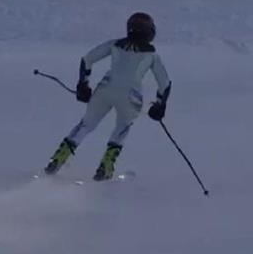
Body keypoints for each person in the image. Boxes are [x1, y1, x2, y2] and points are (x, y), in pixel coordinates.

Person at [44, 12, 172, 181]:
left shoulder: (115, 45)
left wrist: (83, 84)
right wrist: (159, 105)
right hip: (131, 97)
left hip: (105, 89)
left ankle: (59, 157)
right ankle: (106, 166)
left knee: (86, 125)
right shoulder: (152, 55)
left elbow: (87, 59)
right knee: (122, 128)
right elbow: (165, 83)